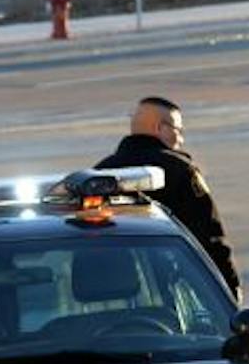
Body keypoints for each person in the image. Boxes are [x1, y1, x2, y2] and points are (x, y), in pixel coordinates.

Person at [97, 96, 238, 297]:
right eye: (178, 131)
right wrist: (230, 291)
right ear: (159, 128)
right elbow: (209, 238)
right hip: (170, 294)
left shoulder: (101, 174)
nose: (181, 140)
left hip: (113, 295)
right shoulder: (181, 172)